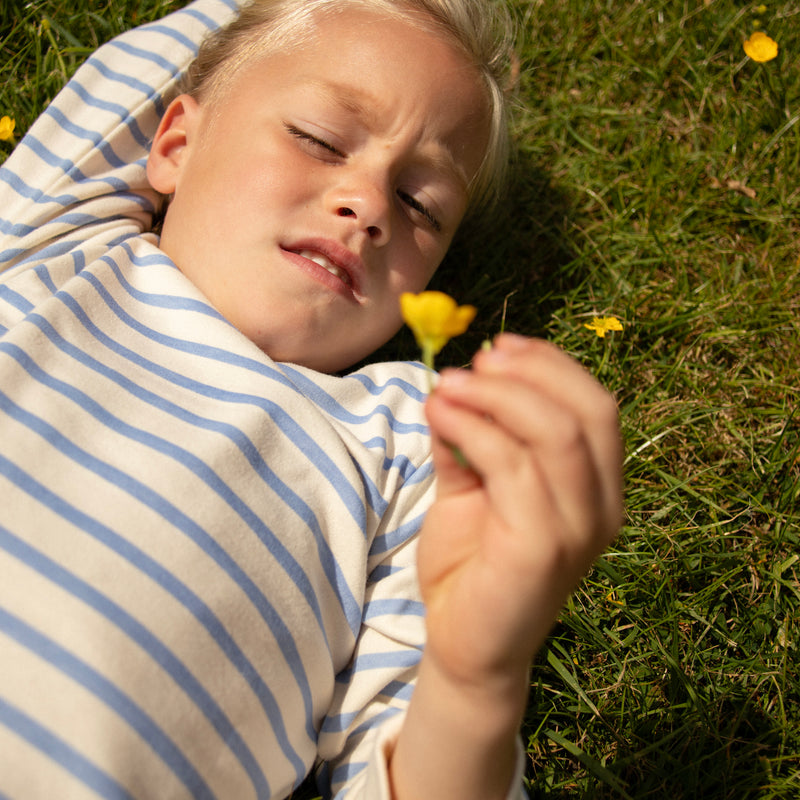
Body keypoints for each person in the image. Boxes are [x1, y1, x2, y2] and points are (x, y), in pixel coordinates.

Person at [0, 0, 623, 798]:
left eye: (421, 204)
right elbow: (151, 62)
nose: (369, 204)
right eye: (320, 139)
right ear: (176, 143)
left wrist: (474, 680)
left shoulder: (406, 445)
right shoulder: (57, 245)